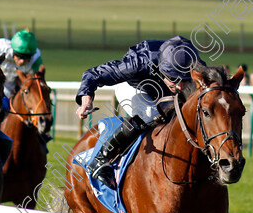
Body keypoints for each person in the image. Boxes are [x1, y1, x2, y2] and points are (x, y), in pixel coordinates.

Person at [75, 36, 204, 189]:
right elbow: (93, 74)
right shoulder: (139, 63)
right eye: (173, 78)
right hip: (133, 87)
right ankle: (101, 158)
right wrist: (86, 100)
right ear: (163, 69)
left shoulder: (195, 64)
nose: (180, 86)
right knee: (151, 114)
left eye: (185, 79)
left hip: (161, 89)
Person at [0, 30, 43, 97]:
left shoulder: (35, 60)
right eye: (20, 56)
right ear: (13, 51)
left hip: (13, 91)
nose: (22, 61)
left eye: (27, 57)